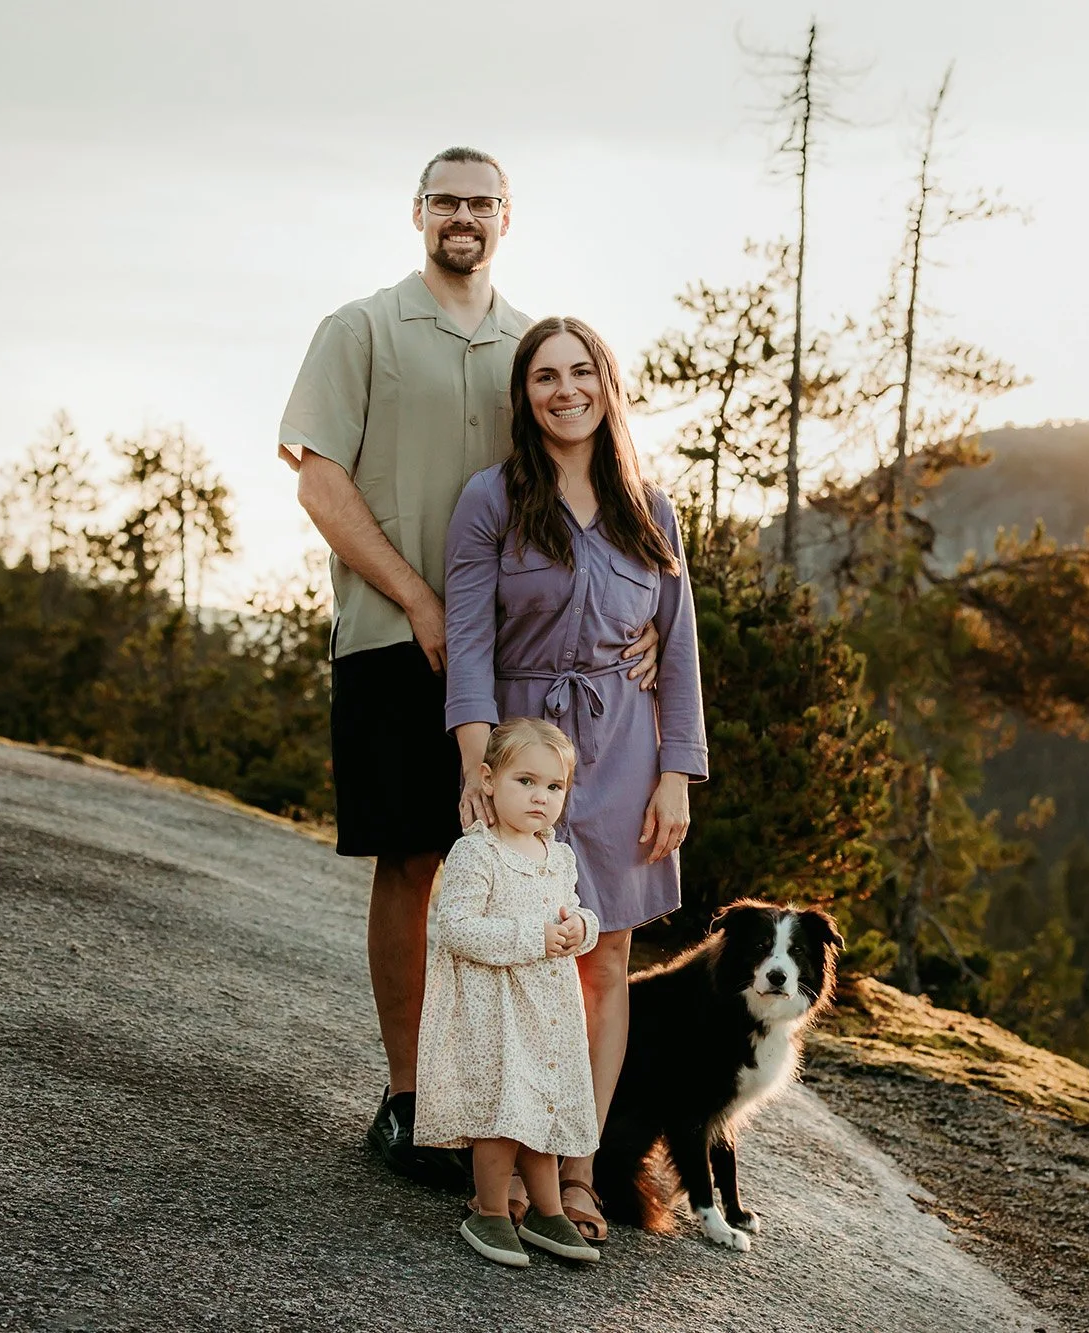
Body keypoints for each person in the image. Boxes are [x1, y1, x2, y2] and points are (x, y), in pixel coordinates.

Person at [276, 147, 659, 1183]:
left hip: (526, 665)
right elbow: (318, 482)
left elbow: (594, 482)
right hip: (393, 641)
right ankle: (409, 1099)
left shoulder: (529, 348)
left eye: (480, 203)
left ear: (505, 218)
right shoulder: (360, 329)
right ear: (415, 213)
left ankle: (520, 1119)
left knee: (531, 885)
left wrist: (643, 609)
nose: (462, 216)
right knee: (414, 861)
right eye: (445, 200)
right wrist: (416, 596)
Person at [443, 316, 708, 1244]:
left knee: (603, 965)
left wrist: (677, 773)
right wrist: (478, 764)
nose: (565, 390)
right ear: (525, 395)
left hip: (628, 753)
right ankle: (508, 1165)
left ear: (607, 383)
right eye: (545, 376)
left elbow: (677, 652)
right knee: (518, 960)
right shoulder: (491, 500)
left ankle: (583, 1168)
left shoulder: (651, 508)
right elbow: (469, 645)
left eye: (581, 371)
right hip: (524, 759)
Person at [415, 717, 602, 1268]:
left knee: (543, 1111)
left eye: (554, 787)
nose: (541, 798)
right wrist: (533, 938)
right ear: (490, 780)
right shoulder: (479, 853)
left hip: (547, 1010)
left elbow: (574, 911)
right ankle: (492, 1210)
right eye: (526, 782)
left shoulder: (557, 855)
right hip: (494, 1008)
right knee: (503, 1112)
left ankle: (548, 1211)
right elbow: (457, 926)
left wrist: (579, 930)